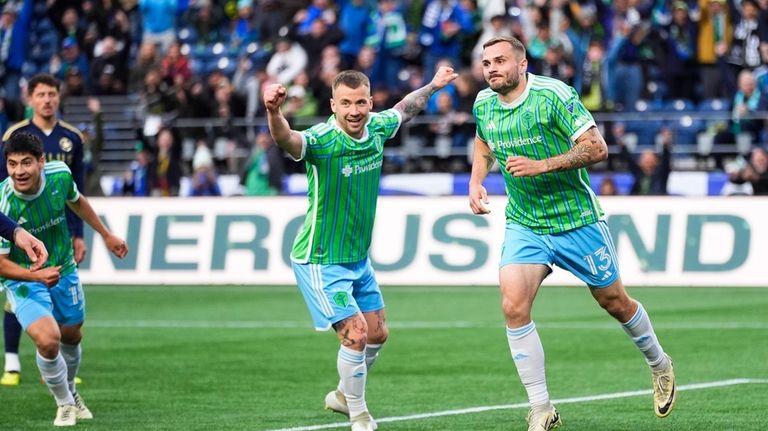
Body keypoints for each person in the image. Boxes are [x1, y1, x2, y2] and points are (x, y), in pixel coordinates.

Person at [468, 37, 676, 431]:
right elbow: (483, 142)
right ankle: (541, 407)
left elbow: (596, 148)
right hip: (526, 223)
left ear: (523, 64)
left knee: (615, 302)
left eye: (500, 61)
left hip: (576, 220)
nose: (492, 68)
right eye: (486, 63)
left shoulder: (553, 96)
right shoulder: (484, 103)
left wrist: (542, 165)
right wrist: (475, 182)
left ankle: (659, 362)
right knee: (513, 307)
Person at [263, 66, 457, 431]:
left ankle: (342, 394)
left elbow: (405, 108)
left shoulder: (378, 129)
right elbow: (287, 140)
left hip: (357, 259)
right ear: (333, 105)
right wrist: (274, 112)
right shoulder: (321, 141)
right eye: (346, 103)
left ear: (370, 102)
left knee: (378, 333)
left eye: (361, 102)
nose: (355, 111)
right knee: (356, 334)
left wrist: (432, 84)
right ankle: (359, 415)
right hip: (320, 258)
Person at [0, 131, 128, 426]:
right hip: (23, 280)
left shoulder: (60, 175)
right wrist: (35, 274)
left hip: (64, 268)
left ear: (42, 162)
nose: (19, 171)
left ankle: (70, 390)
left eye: (26, 163)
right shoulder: (4, 202)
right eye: (12, 164)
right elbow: (1, 264)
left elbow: (77, 201)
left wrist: (105, 234)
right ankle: (65, 403)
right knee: (48, 340)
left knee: (72, 335)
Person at [1, 74, 88, 386]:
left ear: (59, 97)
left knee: (64, 312)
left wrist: (80, 233)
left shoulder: (72, 138)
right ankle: (12, 362)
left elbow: (78, 191)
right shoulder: (15, 135)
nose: (47, 100)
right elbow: (5, 189)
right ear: (30, 99)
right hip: (16, 225)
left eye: (52, 93)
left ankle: (58, 366)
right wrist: (12, 232)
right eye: (41, 94)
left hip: (57, 229)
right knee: (16, 292)